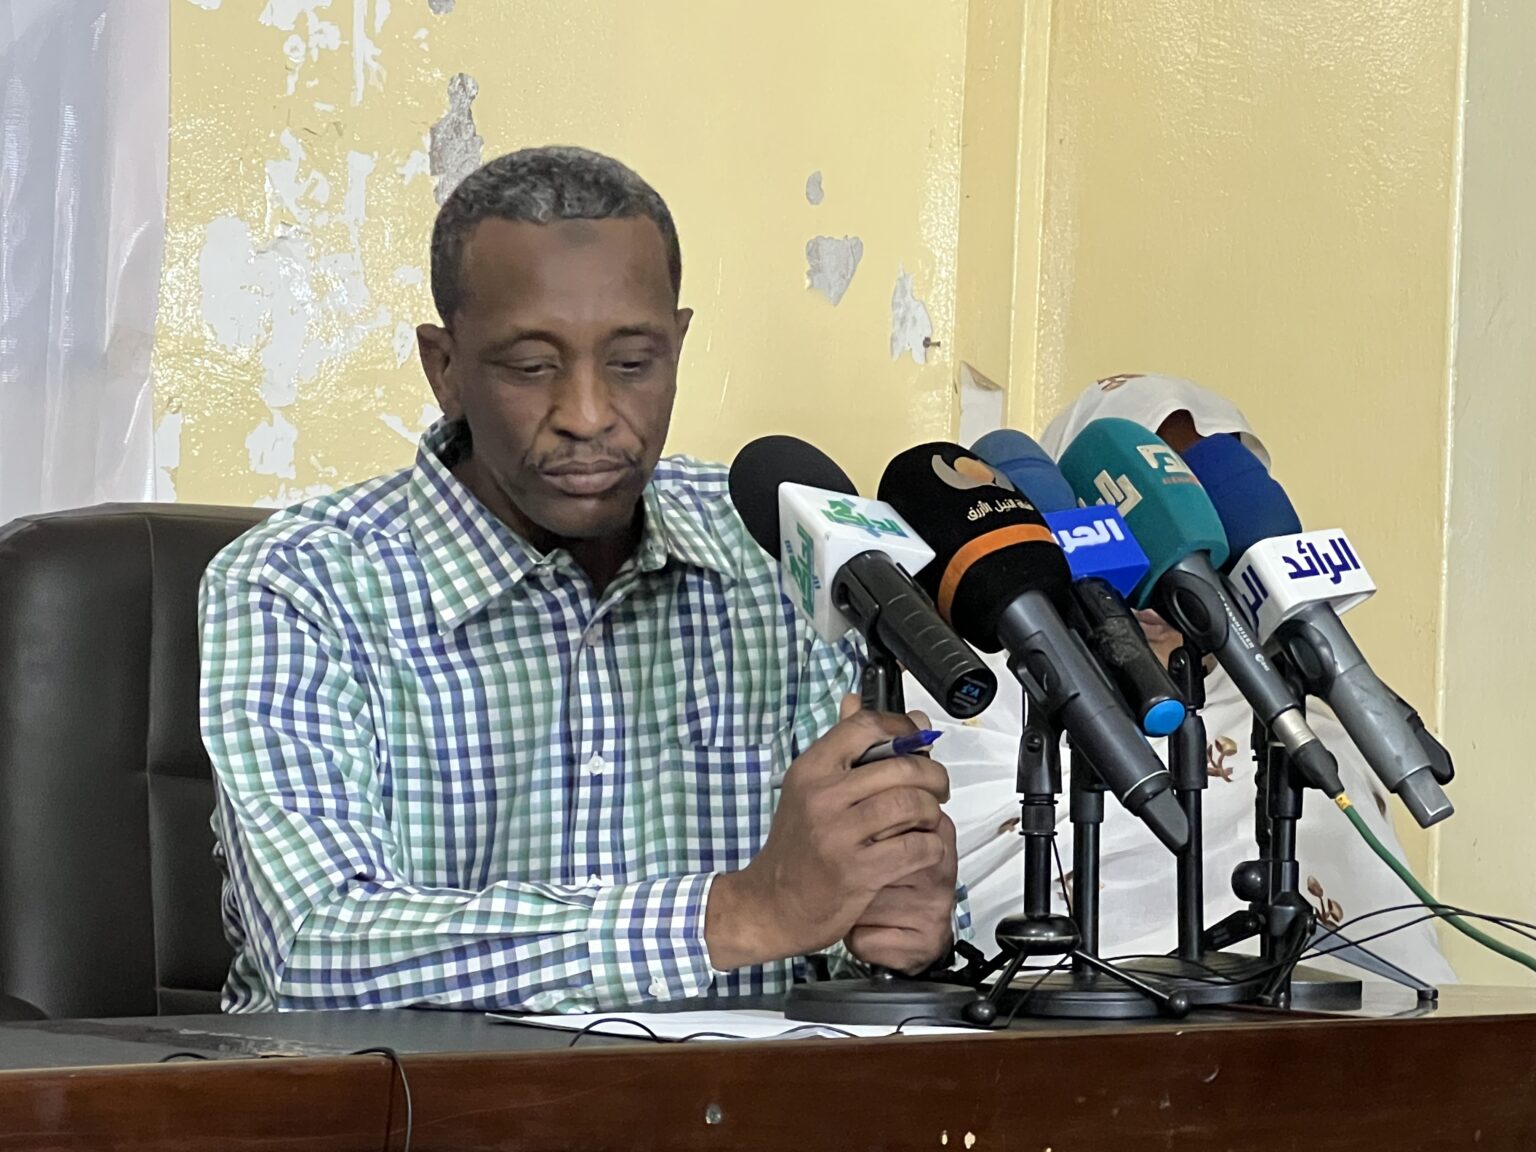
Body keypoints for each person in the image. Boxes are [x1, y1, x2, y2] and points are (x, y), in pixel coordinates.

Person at [199, 147, 958, 1014]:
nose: (589, 416)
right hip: (419, 1095)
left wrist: (901, 925)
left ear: (677, 346)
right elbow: (316, 948)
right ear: (445, 368)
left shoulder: (775, 550)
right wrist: (739, 914)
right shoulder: (299, 584)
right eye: (531, 367)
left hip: (748, 1091)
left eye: (632, 363)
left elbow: (863, 918)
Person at [911, 373, 1454, 985]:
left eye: (1180, 506)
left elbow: (1398, 981)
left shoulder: (1309, 732)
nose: (1151, 547)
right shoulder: (969, 698)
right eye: (1119, 505)